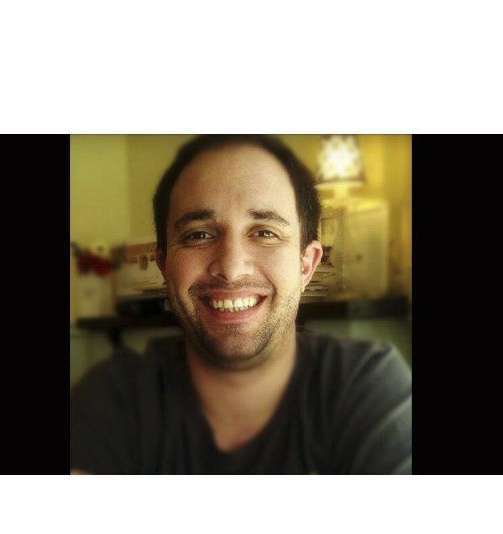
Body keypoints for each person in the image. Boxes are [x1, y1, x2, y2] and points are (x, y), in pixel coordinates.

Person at [70, 135, 412, 474]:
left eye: (264, 232)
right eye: (198, 235)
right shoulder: (114, 397)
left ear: (306, 265)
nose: (232, 269)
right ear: (164, 265)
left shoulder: (367, 386)